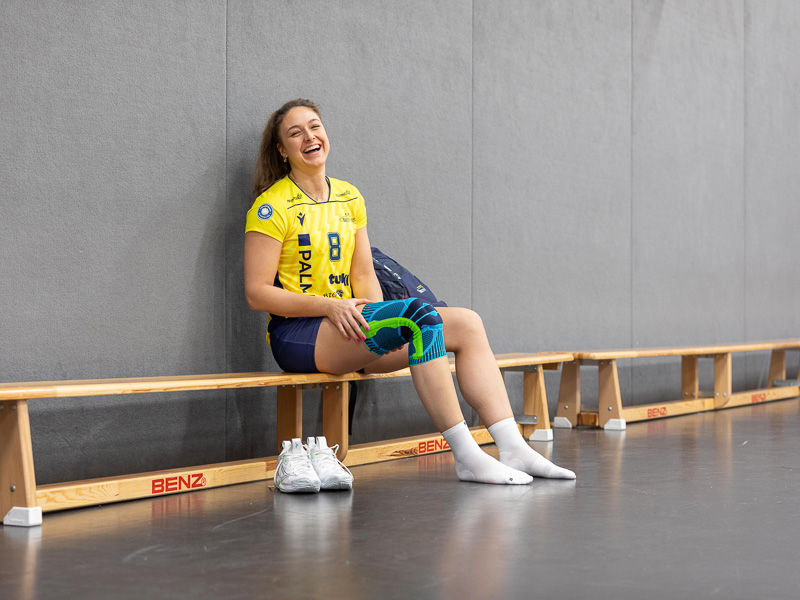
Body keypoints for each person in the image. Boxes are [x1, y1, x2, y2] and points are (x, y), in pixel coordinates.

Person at [244, 98, 575, 487]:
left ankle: (512, 447)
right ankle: (468, 457)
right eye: (295, 133)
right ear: (282, 150)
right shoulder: (271, 207)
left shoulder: (349, 197)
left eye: (315, 126)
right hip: (299, 333)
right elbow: (257, 293)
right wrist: (329, 307)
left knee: (467, 324)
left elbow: (364, 271)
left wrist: (381, 321)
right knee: (420, 315)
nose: (309, 137)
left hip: (350, 325)